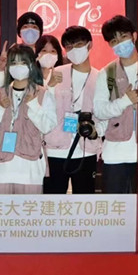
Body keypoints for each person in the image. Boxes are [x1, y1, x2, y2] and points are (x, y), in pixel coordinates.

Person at [0, 44, 57, 194]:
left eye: (23, 62)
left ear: (31, 65)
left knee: (29, 208)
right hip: (1, 169)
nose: (18, 67)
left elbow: (47, 126)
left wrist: (33, 105)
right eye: (14, 63)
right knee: (2, 208)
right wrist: (0, 108)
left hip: (30, 170)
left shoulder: (42, 94)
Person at [43, 26, 105, 194]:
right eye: (69, 47)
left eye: (78, 45)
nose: (74, 50)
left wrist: (96, 132)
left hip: (86, 149)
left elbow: (105, 114)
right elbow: (44, 107)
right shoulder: (56, 73)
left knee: (84, 203)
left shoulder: (100, 77)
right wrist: (49, 87)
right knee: (52, 202)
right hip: (55, 149)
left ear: (89, 45)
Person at [93, 15, 138, 194]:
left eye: (123, 37)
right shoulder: (107, 73)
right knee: (116, 206)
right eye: (114, 41)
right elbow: (99, 110)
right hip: (115, 153)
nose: (120, 43)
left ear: (134, 36)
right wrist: (125, 101)